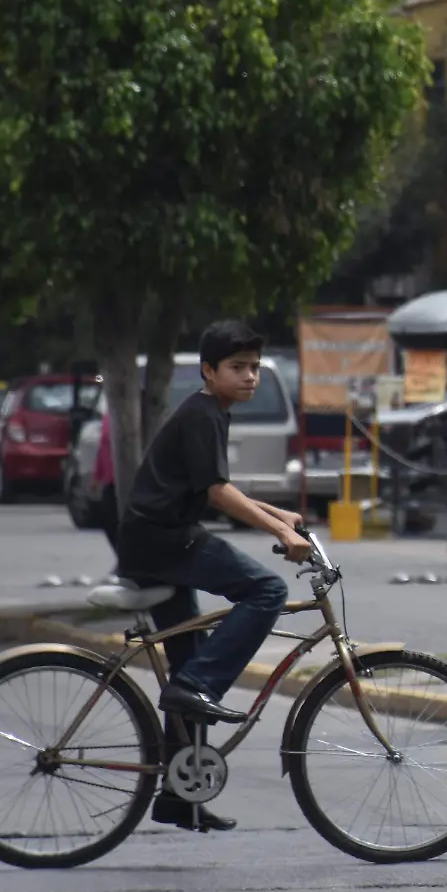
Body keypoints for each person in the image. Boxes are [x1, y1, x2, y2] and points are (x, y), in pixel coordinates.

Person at [114, 321, 312, 832]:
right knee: (267, 589)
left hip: (155, 540)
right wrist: (281, 535)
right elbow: (218, 495)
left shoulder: (210, 414)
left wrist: (277, 515)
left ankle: (181, 797)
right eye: (237, 368)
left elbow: (216, 486)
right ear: (208, 371)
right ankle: (199, 686)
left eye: (254, 368)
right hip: (164, 542)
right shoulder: (203, 415)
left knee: (189, 661)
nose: (249, 377)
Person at [92, 410, 119, 552]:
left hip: (131, 480)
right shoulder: (109, 417)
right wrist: (98, 475)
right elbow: (102, 447)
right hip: (111, 480)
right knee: (109, 521)